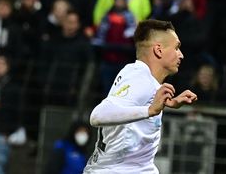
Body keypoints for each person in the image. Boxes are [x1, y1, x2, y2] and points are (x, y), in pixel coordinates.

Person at [83, 19, 198, 173]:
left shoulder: (145, 79)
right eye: (177, 48)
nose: (181, 55)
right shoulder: (139, 76)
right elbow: (97, 116)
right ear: (158, 50)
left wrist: (167, 103)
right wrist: (149, 110)